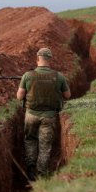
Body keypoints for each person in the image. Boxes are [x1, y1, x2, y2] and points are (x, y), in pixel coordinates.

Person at [17, 47, 71, 181]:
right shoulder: (58, 76)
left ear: (37, 59)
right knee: (45, 145)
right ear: (50, 59)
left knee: (30, 140)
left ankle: (30, 169)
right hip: (49, 117)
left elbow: (19, 97)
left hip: (30, 115)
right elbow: (67, 95)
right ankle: (41, 174)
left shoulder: (27, 75)